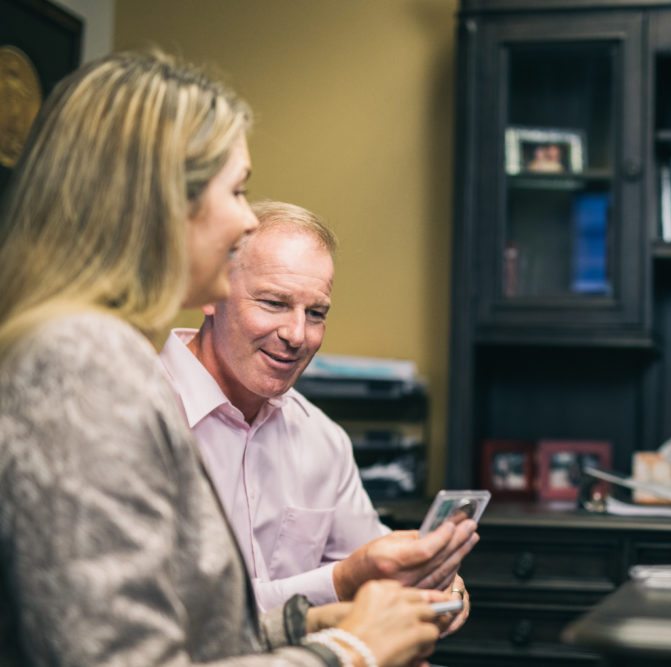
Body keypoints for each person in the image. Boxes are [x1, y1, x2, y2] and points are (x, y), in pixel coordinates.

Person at [0, 50, 449, 666]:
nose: (245, 221)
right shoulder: (82, 363)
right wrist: (349, 650)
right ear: (159, 201)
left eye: (315, 312)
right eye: (235, 189)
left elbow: (186, 626)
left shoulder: (105, 351)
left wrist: (307, 622)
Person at [159, 200, 476, 631]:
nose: (296, 335)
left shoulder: (321, 438)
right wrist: (342, 582)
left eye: (316, 314)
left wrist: (431, 581)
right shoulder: (141, 412)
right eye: (273, 303)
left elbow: (369, 557)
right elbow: (182, 610)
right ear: (212, 292)